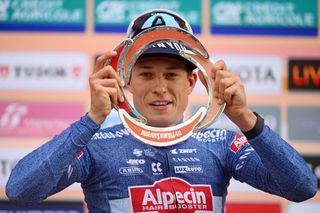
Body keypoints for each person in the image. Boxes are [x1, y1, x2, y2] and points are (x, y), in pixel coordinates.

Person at [6, 9, 317, 213]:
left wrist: (247, 120)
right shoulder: (97, 146)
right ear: (125, 80)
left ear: (193, 81)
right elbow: (20, 190)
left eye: (171, 75)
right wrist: (92, 119)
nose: (160, 87)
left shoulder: (221, 144)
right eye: (146, 74)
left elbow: (302, 188)